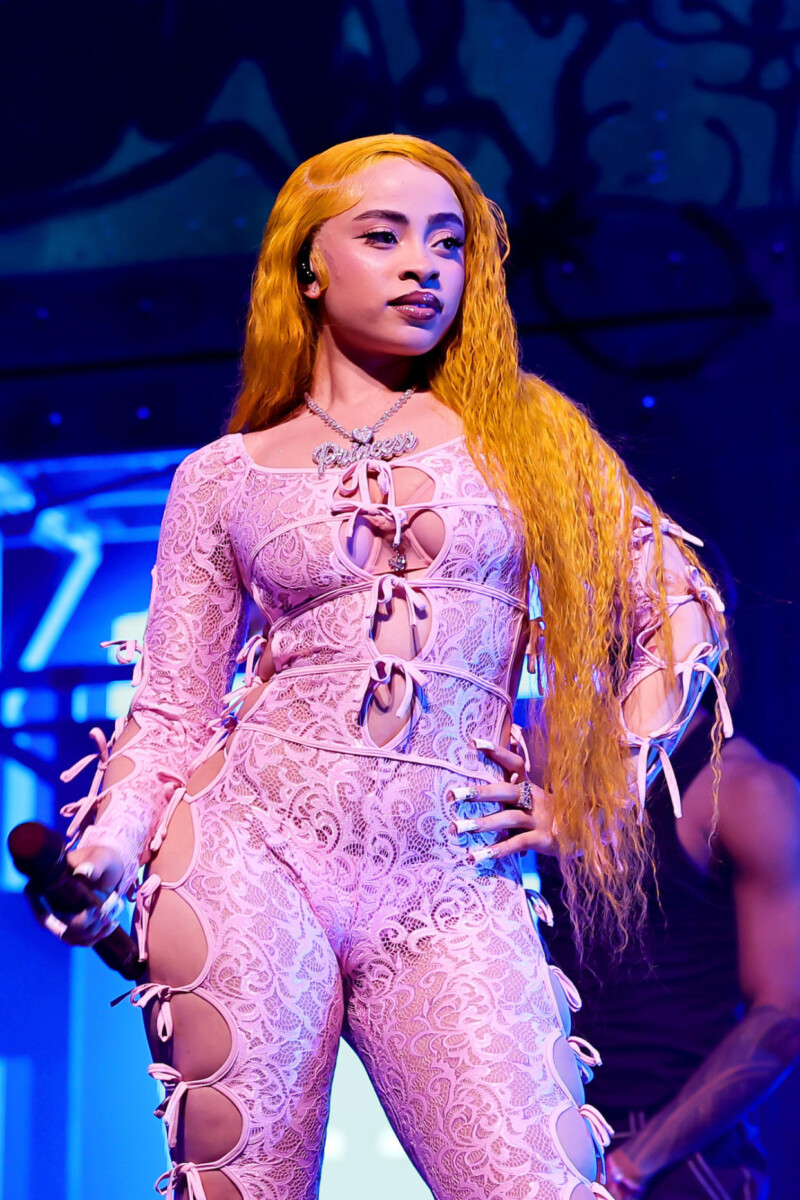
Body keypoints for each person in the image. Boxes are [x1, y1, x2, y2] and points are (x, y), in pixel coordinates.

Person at [38, 134, 726, 1200]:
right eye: (384, 236)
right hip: (249, 856)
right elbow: (173, 710)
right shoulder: (219, 479)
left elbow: (678, 612)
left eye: (447, 243)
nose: (423, 266)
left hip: (452, 875)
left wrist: (592, 794)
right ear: (309, 266)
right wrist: (107, 854)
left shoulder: (527, 437)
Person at [539, 688, 800, 1199]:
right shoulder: (558, 770)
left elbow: (784, 1017)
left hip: (677, 1159)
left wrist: (633, 1165)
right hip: (564, 1136)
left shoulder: (748, 790)